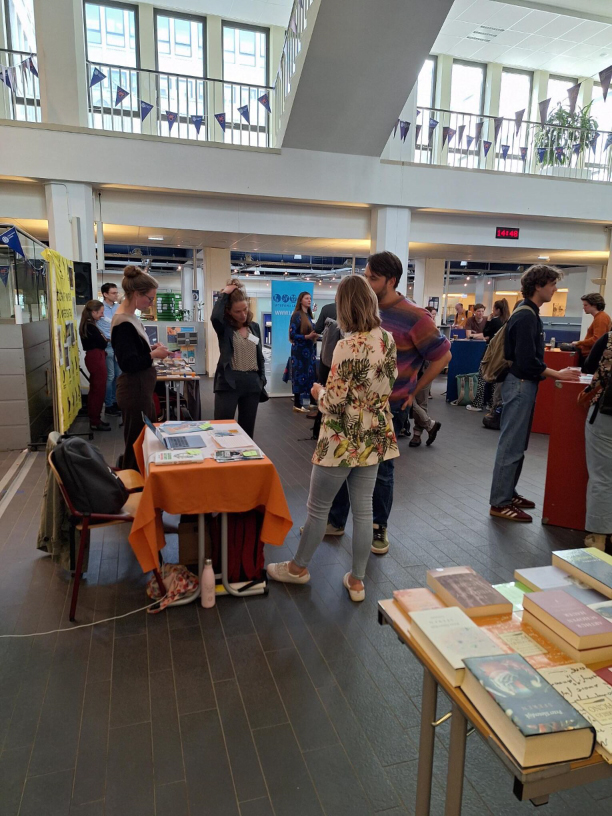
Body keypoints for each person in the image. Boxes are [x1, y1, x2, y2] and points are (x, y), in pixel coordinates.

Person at [267, 275, 398, 602]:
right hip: (374, 435)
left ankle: (298, 568)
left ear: (344, 307)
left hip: (341, 439)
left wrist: (316, 391)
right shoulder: (388, 340)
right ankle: (357, 580)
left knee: (317, 508)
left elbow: (334, 401)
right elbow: (389, 383)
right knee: (364, 510)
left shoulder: (346, 345)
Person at [327, 252, 451, 551]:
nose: (367, 282)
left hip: (388, 406)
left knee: (381, 471)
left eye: (373, 278)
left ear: (392, 281)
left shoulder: (415, 316)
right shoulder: (363, 310)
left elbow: (442, 355)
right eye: (366, 276)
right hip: (351, 405)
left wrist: (414, 390)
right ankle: (335, 521)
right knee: (345, 461)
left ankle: (378, 528)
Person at [489, 265, 580, 522]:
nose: (555, 289)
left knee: (517, 443)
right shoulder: (527, 315)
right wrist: (557, 373)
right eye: (552, 284)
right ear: (538, 286)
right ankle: (499, 502)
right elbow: (527, 361)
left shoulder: (526, 311)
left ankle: (508, 492)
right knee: (511, 445)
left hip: (521, 384)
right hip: (519, 384)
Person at [111, 266, 169, 470]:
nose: (151, 303)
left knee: (143, 440)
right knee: (137, 444)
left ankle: (139, 485)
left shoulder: (130, 319)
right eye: (149, 298)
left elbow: (133, 352)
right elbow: (128, 363)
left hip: (140, 389)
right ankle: (132, 489)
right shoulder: (123, 323)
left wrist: (149, 348)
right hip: (134, 389)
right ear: (136, 294)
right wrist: (153, 355)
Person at [211, 279, 266, 439]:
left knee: (247, 432)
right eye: (237, 312)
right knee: (222, 429)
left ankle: (244, 462)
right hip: (229, 382)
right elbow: (215, 317)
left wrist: (261, 379)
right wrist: (224, 294)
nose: (243, 315)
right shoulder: (224, 328)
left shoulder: (254, 327)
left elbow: (259, 354)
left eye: (245, 309)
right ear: (228, 311)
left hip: (252, 384)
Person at [581, 329, 612, 552]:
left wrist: (587, 391)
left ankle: (598, 538)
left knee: (602, 477)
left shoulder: (610, 338)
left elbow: (594, 369)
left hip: (607, 415)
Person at [467, 299, 510, 412]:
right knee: (494, 380)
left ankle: (477, 404)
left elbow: (486, 333)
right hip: (499, 354)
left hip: (490, 352)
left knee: (482, 376)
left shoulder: (494, 321)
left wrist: (489, 321)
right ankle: (492, 404)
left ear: (497, 310)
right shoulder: (505, 321)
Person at [79, 299, 110, 432]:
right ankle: (95, 421)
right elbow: (103, 342)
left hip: (96, 356)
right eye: (101, 312)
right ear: (93, 312)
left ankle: (96, 418)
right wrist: (105, 340)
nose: (102, 315)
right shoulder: (90, 326)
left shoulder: (90, 325)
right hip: (96, 357)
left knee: (97, 389)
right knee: (98, 390)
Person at [289, 291, 317, 412]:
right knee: (299, 375)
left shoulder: (310, 316)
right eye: (306, 298)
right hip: (300, 351)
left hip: (310, 350)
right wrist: (307, 337)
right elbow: (292, 334)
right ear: (301, 300)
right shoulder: (296, 315)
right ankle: (297, 404)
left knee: (311, 375)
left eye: (310, 298)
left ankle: (311, 401)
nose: (309, 300)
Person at [98, 282, 121, 417]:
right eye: (113, 293)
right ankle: (109, 404)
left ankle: (116, 402)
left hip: (119, 345)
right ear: (105, 294)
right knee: (110, 376)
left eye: (116, 292)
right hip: (107, 345)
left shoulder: (119, 307)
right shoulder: (100, 309)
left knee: (119, 376)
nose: (116, 295)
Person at [573, 294, 611, 362]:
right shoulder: (600, 317)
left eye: (586, 305)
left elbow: (596, 339)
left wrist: (579, 343)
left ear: (594, 305)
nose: (583, 308)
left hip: (592, 356)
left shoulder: (601, 318)